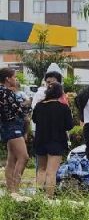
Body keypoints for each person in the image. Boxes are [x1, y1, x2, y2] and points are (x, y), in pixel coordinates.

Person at [31, 84, 74, 197]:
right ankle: (48, 198)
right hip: (56, 141)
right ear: (60, 93)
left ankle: (38, 196)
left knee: (41, 169)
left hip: (40, 140)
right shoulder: (63, 107)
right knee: (51, 172)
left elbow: (34, 120)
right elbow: (69, 126)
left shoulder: (39, 106)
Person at [1, 67, 30, 195]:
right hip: (12, 126)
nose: (15, 79)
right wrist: (28, 104)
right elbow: (20, 109)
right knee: (24, 157)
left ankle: (9, 190)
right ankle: (15, 190)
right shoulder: (6, 92)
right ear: (7, 79)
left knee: (12, 159)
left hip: (6, 126)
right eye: (14, 77)